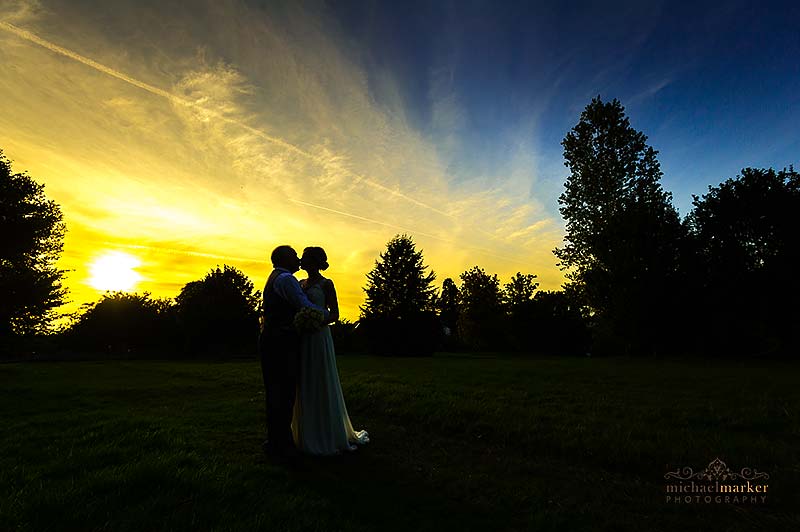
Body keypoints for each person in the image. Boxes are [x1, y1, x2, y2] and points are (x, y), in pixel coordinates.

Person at [291, 246, 369, 455]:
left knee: (321, 379)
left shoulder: (327, 284)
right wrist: (301, 321)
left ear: (315, 262)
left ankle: (328, 432)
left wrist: (316, 320)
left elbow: (334, 314)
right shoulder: (300, 284)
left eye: (306, 258)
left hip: (319, 336)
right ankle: (307, 432)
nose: (301, 261)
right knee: (305, 380)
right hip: (303, 338)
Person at [259, 245, 328, 462]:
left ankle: (275, 441)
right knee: (285, 392)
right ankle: (283, 446)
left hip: (270, 340)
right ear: (285, 258)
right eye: (294, 256)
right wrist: (325, 315)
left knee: (274, 392)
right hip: (281, 342)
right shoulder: (287, 280)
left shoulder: (274, 277)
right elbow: (303, 304)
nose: (298, 259)